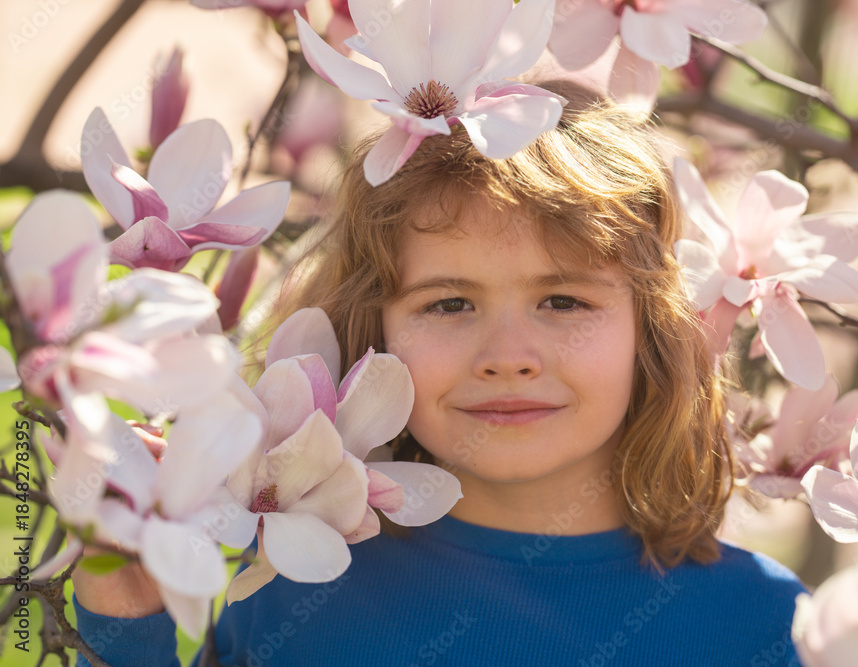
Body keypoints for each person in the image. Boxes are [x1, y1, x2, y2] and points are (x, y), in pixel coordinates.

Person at [71, 80, 807, 666]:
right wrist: (127, 632)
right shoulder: (291, 589)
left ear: (652, 327)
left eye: (564, 299)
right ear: (376, 331)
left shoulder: (770, 627)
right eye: (449, 302)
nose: (508, 352)